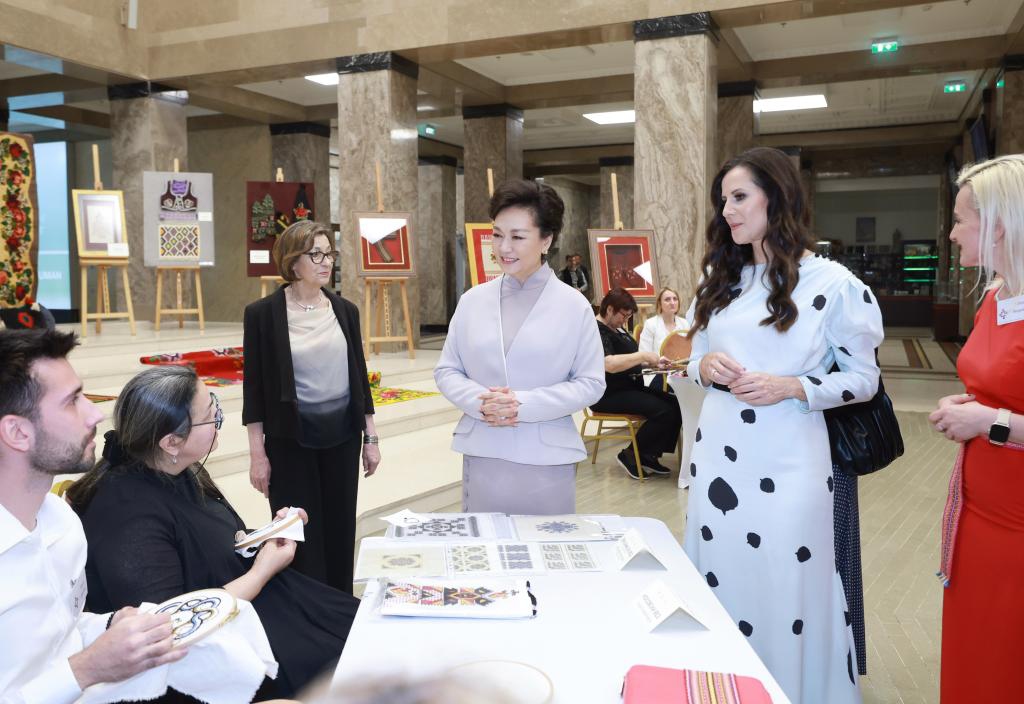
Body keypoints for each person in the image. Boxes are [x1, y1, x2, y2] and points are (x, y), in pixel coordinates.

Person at [683, 147, 882, 704]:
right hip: (719, 458)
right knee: (721, 575)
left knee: (787, 583)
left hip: (791, 462)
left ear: (779, 196)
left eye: (740, 197)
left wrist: (794, 386)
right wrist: (703, 366)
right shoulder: (719, 279)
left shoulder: (833, 284)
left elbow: (864, 379)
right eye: (724, 200)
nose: (728, 210)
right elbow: (692, 359)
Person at [68, 366, 359, 699]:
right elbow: (173, 623)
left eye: (215, 405)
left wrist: (263, 537)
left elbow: (211, 541)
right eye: (211, 415)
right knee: (350, 662)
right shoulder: (127, 514)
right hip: (208, 649)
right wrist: (263, 569)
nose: (220, 418)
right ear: (171, 441)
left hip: (252, 605)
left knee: (363, 628)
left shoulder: (174, 468)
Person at [0, 328, 185, 703]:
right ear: (17, 432)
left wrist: (112, 625)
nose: (95, 414)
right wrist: (88, 668)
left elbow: (58, 630)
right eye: (72, 402)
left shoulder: (61, 521)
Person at [434, 179, 605, 514]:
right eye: (497, 235)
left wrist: (520, 405)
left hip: (545, 458)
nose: (503, 247)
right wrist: (481, 402)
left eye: (517, 236)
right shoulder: (473, 300)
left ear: (547, 239)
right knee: (485, 553)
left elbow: (590, 382)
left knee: (544, 556)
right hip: (484, 451)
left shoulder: (574, 306)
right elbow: (447, 369)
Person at [929, 155, 1024, 702]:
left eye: (962, 219)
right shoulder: (995, 296)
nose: (951, 231)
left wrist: (990, 422)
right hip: (976, 512)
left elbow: (1000, 413)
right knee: (975, 650)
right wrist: (973, 405)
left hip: (1018, 523)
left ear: (999, 224)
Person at [242, 220, 379, 594]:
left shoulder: (344, 310)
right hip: (290, 440)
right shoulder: (263, 314)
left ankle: (339, 605)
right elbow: (253, 391)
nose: (326, 262)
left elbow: (359, 375)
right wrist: (258, 455)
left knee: (338, 527)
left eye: (329, 253)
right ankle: (306, 611)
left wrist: (371, 437)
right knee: (296, 534)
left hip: (342, 437)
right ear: (292, 261)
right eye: (315, 254)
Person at [592, 288, 680, 480]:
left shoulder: (618, 329)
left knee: (675, 404)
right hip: (608, 394)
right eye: (623, 315)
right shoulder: (596, 330)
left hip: (630, 387)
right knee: (663, 410)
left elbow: (629, 360)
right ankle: (630, 454)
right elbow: (609, 364)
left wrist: (653, 362)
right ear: (610, 310)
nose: (625, 321)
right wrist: (642, 355)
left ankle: (648, 455)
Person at [638, 286, 688, 390]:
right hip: (657, 372)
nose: (672, 302)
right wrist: (657, 361)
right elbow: (643, 358)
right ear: (660, 304)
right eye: (667, 299)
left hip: (681, 372)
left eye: (675, 299)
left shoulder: (685, 323)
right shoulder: (650, 324)